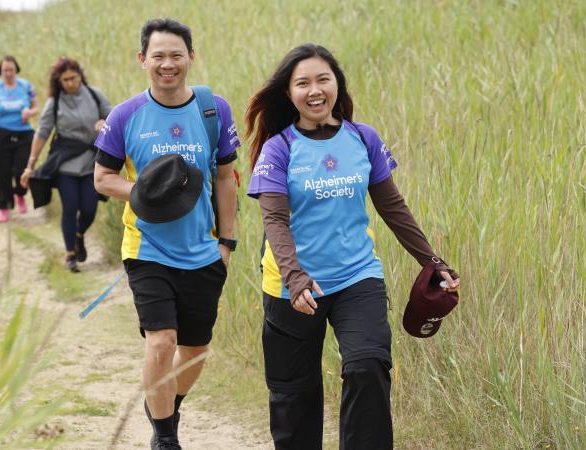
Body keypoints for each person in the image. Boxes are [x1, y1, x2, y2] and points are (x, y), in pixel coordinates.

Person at [245, 44, 461, 450]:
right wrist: (294, 277)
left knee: (367, 367)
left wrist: (432, 261)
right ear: (289, 93)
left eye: (323, 79)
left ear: (337, 84)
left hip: (356, 276)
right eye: (303, 83)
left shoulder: (362, 138)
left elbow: (392, 206)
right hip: (294, 287)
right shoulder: (279, 149)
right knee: (295, 395)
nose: (315, 90)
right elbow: (274, 219)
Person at [93, 18, 239, 450]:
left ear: (191, 57)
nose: (168, 64)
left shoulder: (214, 110)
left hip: (203, 252)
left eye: (177, 55)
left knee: (194, 351)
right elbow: (103, 178)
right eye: (158, 56)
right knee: (161, 342)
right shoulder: (126, 115)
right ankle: (165, 436)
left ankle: (162, 405)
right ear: (143, 60)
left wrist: (226, 243)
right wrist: (142, 191)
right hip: (147, 249)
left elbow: (226, 178)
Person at [20, 57, 112, 272]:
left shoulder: (94, 95)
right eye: (65, 80)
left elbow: (114, 117)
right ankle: (70, 253)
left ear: (80, 75)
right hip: (65, 165)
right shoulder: (55, 103)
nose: (70, 83)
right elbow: (42, 133)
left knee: (89, 208)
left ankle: (79, 235)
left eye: (73, 78)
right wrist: (30, 165)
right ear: (58, 82)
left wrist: (105, 124)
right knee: (70, 207)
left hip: (91, 163)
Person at [0, 55, 38, 223]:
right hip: (1, 133)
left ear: (16, 70)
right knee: (2, 172)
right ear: (0, 71)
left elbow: (37, 106)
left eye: (11, 69)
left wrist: (30, 112)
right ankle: (4, 208)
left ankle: (19, 193)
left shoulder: (26, 86)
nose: (8, 73)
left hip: (24, 133)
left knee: (23, 169)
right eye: (5, 70)